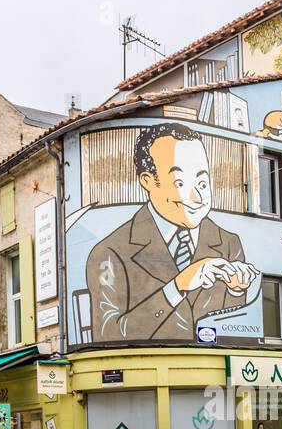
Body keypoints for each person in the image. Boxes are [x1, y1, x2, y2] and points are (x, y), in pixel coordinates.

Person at [86, 122, 260, 341]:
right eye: (180, 182)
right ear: (148, 181)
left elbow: (232, 331)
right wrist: (178, 285)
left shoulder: (228, 243)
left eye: (202, 182)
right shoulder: (109, 253)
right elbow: (108, 336)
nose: (197, 198)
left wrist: (236, 290)